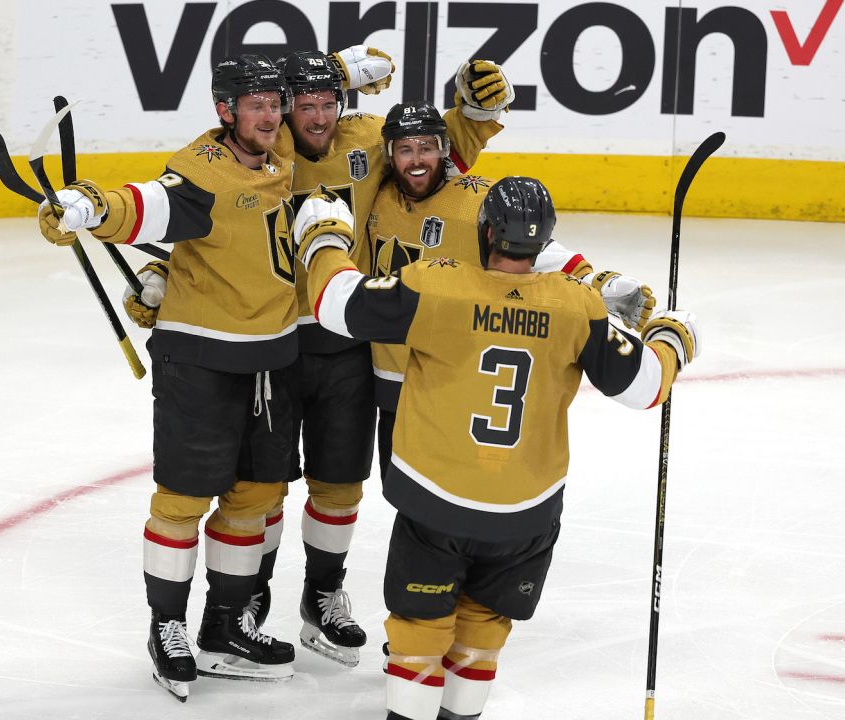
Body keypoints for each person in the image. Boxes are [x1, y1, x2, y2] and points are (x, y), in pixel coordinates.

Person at [290, 178, 699, 720]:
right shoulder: (580, 307)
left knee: (419, 629)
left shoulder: (436, 287)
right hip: (525, 515)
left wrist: (323, 232)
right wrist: (672, 337)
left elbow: (335, 303)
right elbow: (646, 387)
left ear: (485, 232)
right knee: (482, 626)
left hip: (439, 502)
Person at [237, 49, 515, 668]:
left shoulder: (368, 136)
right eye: (301, 104)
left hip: (346, 345)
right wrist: (160, 269)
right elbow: (214, 210)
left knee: (339, 484)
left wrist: (476, 110)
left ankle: (322, 595)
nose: (316, 116)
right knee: (261, 488)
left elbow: (435, 164)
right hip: (271, 338)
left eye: (327, 102)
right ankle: (249, 598)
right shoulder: (257, 140)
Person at [37, 54, 300, 700]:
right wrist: (92, 206)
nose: (269, 116)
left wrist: (340, 70)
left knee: (257, 498)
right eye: (255, 105)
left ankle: (224, 626)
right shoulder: (200, 174)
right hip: (201, 359)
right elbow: (148, 207)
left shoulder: (283, 155)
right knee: (184, 500)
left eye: (275, 104)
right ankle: (167, 628)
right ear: (224, 111)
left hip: (272, 358)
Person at [367, 102, 657, 477]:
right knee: (401, 492)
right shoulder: (374, 194)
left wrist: (598, 282)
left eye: (426, 147)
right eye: (406, 149)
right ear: (390, 155)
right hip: (387, 380)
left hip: (450, 381)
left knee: (458, 489)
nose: (417, 159)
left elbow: (534, 248)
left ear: (443, 148)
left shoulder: (475, 201)